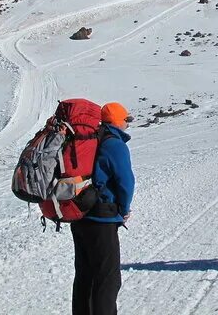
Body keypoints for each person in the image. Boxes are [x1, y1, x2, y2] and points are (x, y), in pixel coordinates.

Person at [70, 102, 135, 315]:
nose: (127, 123)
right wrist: (123, 209)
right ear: (117, 121)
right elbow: (126, 181)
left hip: (79, 214)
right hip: (102, 219)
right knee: (108, 280)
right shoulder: (114, 145)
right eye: (126, 120)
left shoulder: (89, 139)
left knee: (85, 276)